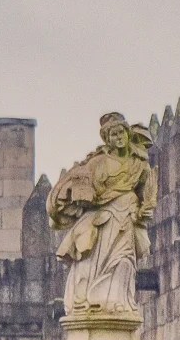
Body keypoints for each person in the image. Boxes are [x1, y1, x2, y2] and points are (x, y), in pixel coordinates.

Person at [48, 113, 157, 316]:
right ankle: (92, 302)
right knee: (92, 263)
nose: (119, 137)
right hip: (104, 221)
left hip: (127, 220)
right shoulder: (97, 164)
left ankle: (118, 304)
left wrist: (144, 210)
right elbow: (82, 191)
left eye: (121, 132)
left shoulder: (139, 165)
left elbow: (145, 194)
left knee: (124, 262)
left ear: (127, 132)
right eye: (114, 134)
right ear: (108, 139)